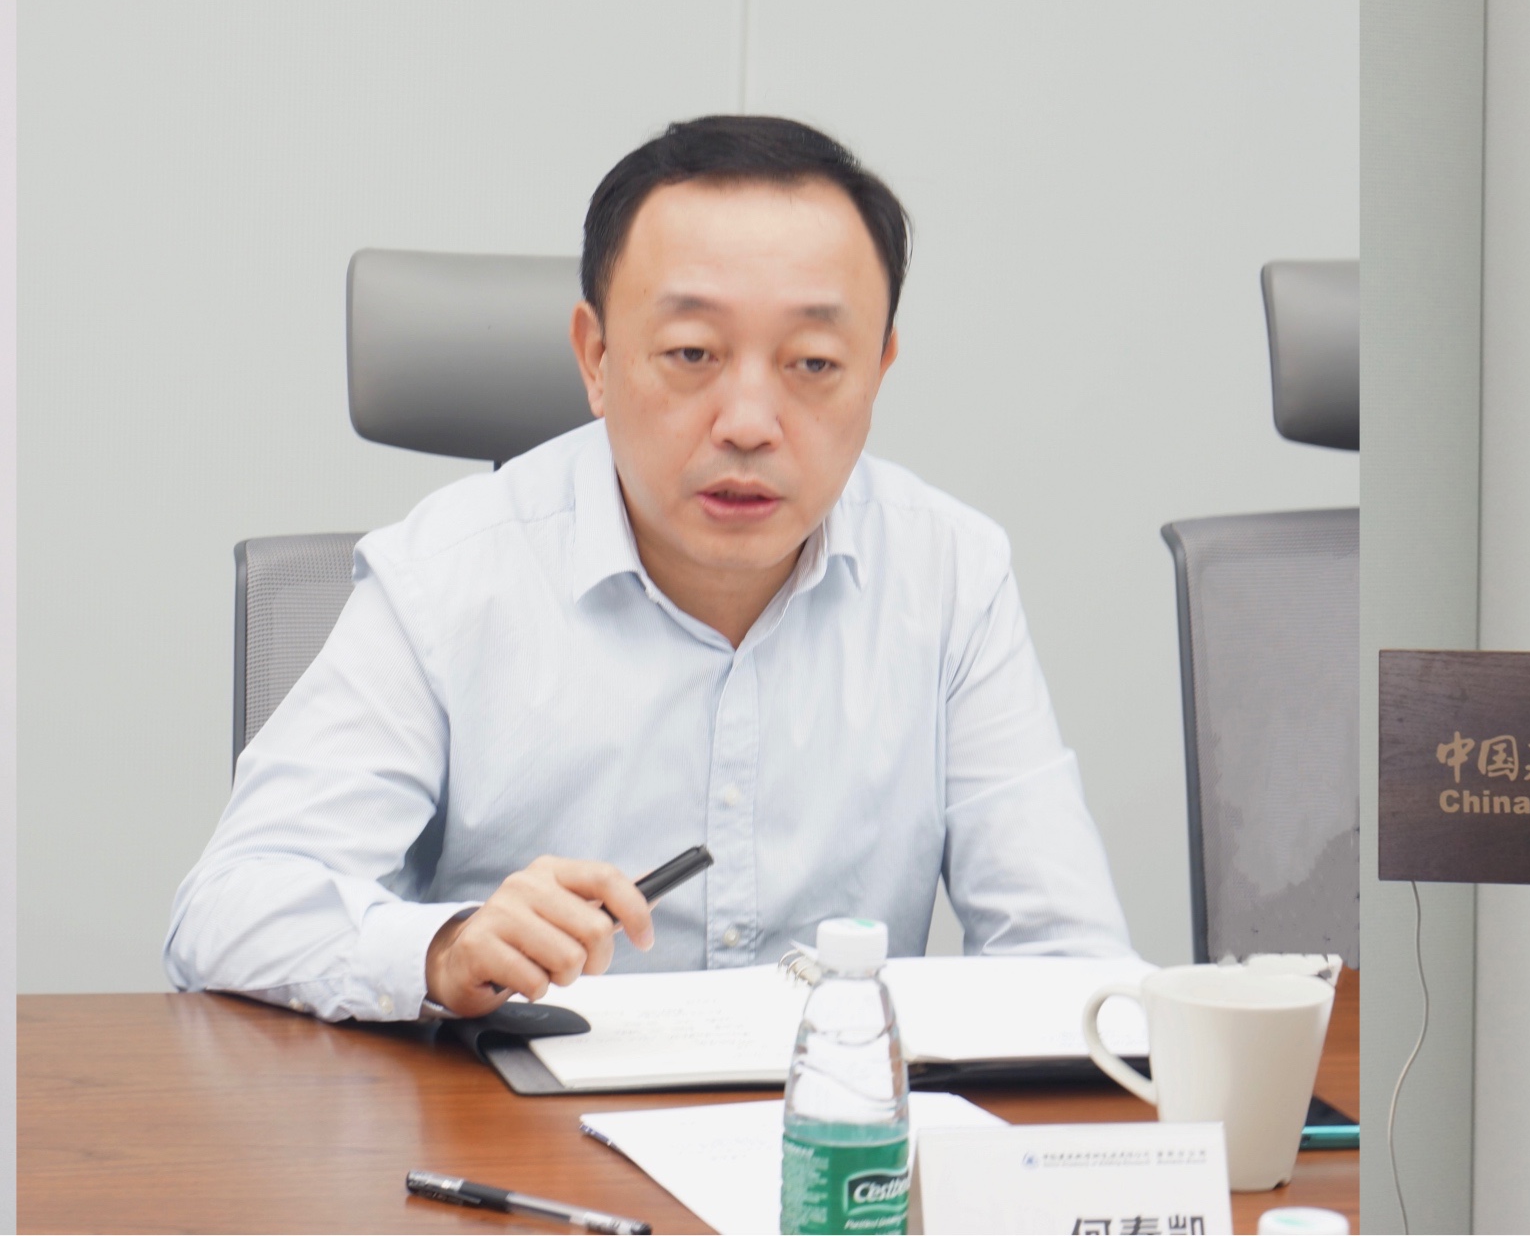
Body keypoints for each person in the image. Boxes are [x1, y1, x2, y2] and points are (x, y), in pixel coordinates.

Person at [164, 116, 1139, 1022]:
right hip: (508, 1128)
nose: (749, 423)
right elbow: (227, 909)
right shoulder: (445, 575)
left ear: (878, 370)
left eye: (812, 363)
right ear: (595, 357)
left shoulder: (951, 574)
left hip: (833, 1127)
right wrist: (443, 948)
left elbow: (1071, 961)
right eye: (691, 352)